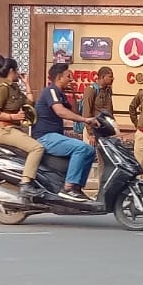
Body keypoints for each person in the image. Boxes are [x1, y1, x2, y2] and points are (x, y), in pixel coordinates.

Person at [32, 63, 98, 202]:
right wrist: (85, 120)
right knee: (80, 148)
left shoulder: (60, 93)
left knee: (90, 151)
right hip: (45, 137)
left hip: (55, 136)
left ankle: (77, 188)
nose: (71, 79)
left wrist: (73, 93)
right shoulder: (50, 91)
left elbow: (73, 111)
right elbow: (60, 111)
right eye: (69, 76)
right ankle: (68, 188)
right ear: (59, 78)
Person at [0, 55, 45, 201]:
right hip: (4, 130)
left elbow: (29, 104)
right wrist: (13, 117)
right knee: (37, 148)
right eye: (17, 71)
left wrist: (27, 84)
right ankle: (26, 185)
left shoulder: (14, 89)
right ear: (12, 71)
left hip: (13, 130)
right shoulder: (3, 89)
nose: (18, 73)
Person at [80, 66, 115, 148]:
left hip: (105, 129)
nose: (113, 79)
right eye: (110, 76)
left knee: (104, 158)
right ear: (103, 77)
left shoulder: (108, 90)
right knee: (89, 155)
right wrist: (91, 133)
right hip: (93, 129)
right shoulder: (91, 90)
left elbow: (110, 110)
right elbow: (86, 113)